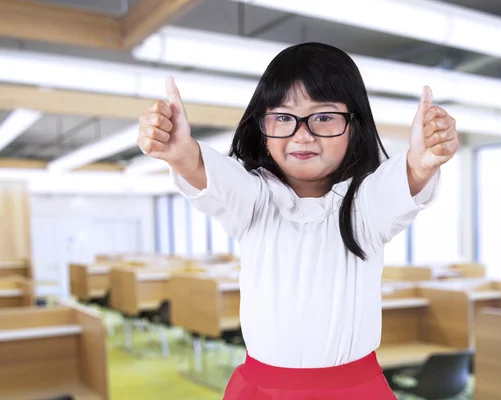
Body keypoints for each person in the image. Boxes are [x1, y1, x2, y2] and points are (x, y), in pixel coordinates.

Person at [137, 42, 459, 399]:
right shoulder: (255, 200)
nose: (302, 135)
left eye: (323, 117)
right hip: (263, 390)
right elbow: (209, 175)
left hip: (353, 390)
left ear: (354, 124)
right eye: (283, 118)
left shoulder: (363, 206)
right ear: (262, 125)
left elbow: (401, 184)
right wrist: (181, 154)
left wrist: (420, 161)